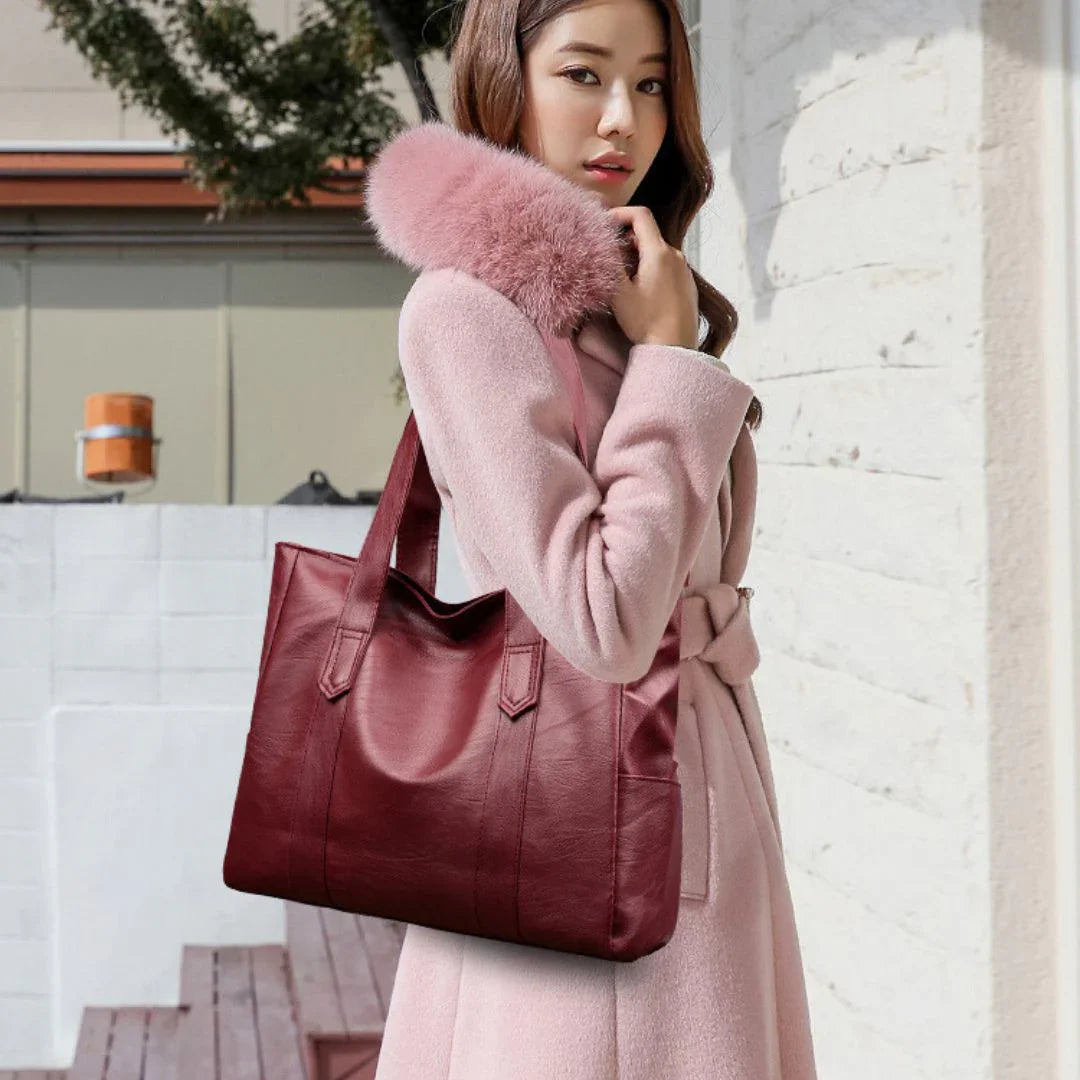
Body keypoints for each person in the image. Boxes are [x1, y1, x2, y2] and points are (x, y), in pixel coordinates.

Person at [362, 0, 819, 1076]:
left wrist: (655, 342)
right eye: (584, 75)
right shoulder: (467, 312)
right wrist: (671, 362)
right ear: (504, 79)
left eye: (654, 83)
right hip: (590, 833)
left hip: (691, 807)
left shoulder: (622, 296)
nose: (624, 119)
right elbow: (602, 622)